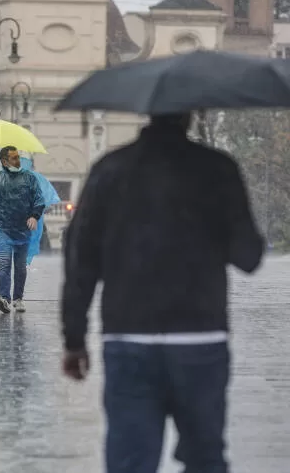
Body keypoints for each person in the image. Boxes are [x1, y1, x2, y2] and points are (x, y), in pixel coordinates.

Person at [60, 113, 264, 473]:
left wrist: (74, 338)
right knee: (205, 459)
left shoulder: (110, 170)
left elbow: (81, 257)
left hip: (129, 338)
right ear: (190, 116)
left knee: (130, 463)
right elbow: (248, 256)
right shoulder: (217, 169)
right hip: (201, 340)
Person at [0, 146, 45, 314]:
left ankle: (18, 298)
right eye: (14, 158)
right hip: (2, 229)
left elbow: (38, 199)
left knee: (20, 267)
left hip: (23, 229)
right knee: (4, 263)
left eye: (18, 157)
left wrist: (34, 216)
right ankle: (5, 299)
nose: (18, 160)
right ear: (4, 161)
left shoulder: (29, 178)